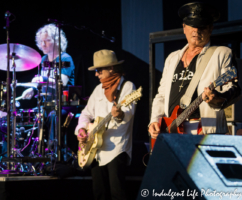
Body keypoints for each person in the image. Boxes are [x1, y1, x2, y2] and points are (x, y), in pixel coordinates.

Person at [148, 2, 241, 139]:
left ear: (210, 29)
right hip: (171, 131)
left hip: (204, 131)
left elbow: (234, 89)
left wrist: (217, 99)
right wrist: (154, 120)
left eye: (202, 27)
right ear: (184, 27)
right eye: (192, 26)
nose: (196, 31)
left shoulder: (222, 53)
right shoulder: (172, 58)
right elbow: (161, 95)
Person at [75, 49, 137, 200]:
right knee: (99, 194)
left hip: (116, 148)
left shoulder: (128, 87)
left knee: (118, 194)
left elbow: (128, 114)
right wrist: (82, 129)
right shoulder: (98, 89)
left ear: (111, 68)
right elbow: (86, 113)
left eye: (99, 70)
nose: (96, 74)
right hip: (96, 150)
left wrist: (119, 114)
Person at [22, 23, 75, 100]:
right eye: (41, 41)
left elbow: (62, 83)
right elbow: (42, 83)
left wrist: (43, 79)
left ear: (57, 41)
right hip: (46, 104)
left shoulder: (65, 58)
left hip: (63, 104)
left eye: (47, 40)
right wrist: (33, 89)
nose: (43, 44)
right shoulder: (44, 59)